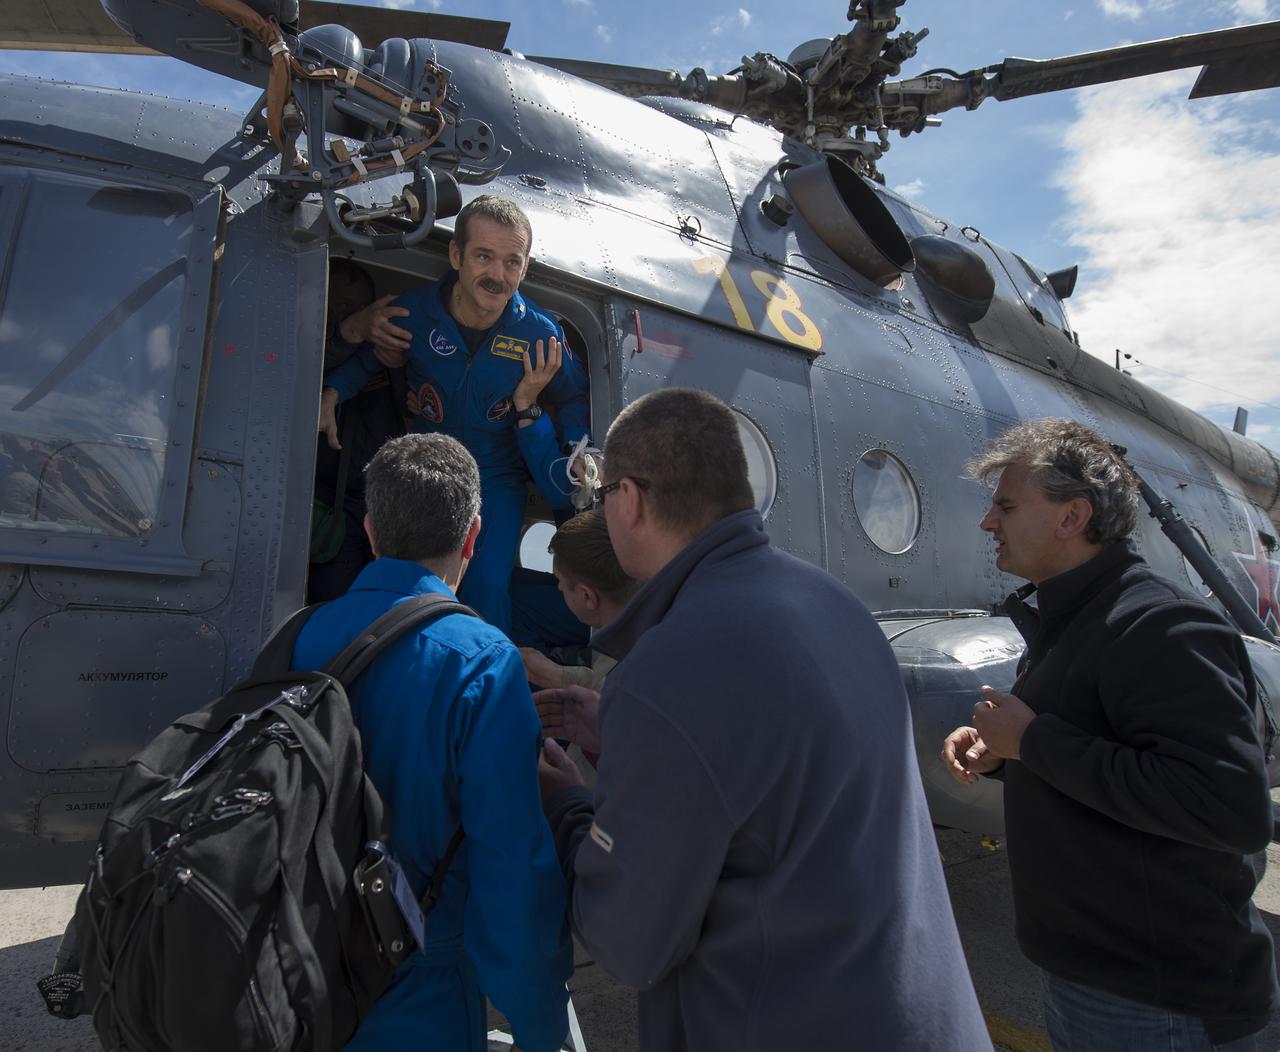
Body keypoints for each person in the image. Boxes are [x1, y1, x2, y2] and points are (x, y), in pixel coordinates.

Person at [536, 388, 991, 1051]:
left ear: (629, 499)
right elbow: (768, 771)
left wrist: (568, 806)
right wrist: (632, 738)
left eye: (601, 496)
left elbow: (626, 941)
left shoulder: (671, 667)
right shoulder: (832, 604)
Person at [941, 418, 1277, 1052]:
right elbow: (1103, 747)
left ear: (1072, 517)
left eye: (1007, 506)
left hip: (1158, 1001)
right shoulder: (1077, 616)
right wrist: (1003, 755)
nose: (989, 523)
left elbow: (1228, 807)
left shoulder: (1160, 624)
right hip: (1092, 978)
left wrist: (1034, 742)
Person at [292, 433, 572, 1052]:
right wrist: (541, 1024)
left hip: (297, 976)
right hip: (419, 994)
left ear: (369, 529)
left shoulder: (295, 638)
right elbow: (512, 874)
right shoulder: (483, 660)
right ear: (474, 536)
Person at [318, 196, 592, 634]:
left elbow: (574, 394)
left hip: (496, 477)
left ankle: (487, 679)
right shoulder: (414, 312)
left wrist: (580, 446)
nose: (497, 276)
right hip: (430, 468)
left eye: (511, 262)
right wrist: (334, 392)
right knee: (404, 585)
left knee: (486, 586)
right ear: (456, 255)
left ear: (524, 268)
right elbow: (372, 357)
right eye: (484, 257)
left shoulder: (539, 333)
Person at [308, 259, 410, 602]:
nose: (353, 316)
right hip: (327, 510)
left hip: (380, 508)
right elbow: (308, 362)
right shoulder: (310, 354)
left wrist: (394, 363)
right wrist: (348, 332)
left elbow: (410, 407)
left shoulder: (378, 361)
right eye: (341, 307)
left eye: (361, 308)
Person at [519, 508, 637, 691]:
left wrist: (557, 676)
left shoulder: (640, 662)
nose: (558, 588)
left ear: (587, 596)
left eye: (560, 582)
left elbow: (623, 694)